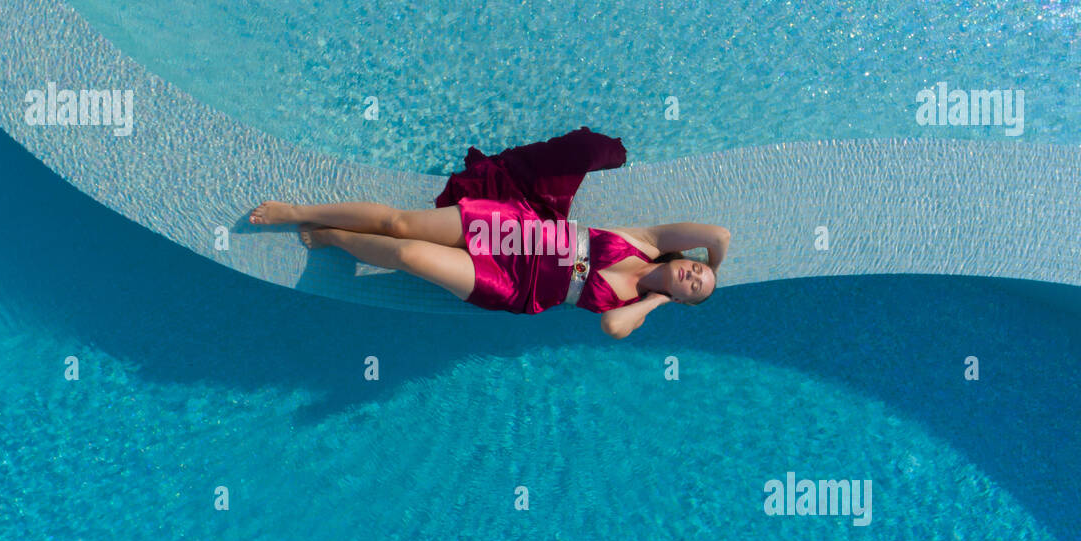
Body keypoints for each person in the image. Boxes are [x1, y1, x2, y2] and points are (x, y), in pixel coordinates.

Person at [250, 127, 729, 338]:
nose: (692, 273)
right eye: (696, 269)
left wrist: (656, 301)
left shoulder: (629, 307)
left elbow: (611, 328)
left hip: (514, 286)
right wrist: (715, 266)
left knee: (412, 256)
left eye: (694, 286)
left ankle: (334, 238)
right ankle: (299, 210)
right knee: (401, 223)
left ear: (683, 301)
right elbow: (719, 235)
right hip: (514, 228)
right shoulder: (649, 242)